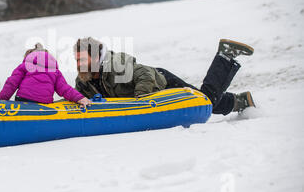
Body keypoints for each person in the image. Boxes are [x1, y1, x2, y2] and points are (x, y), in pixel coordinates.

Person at [74, 37, 256, 115]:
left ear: (97, 56)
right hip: (154, 92)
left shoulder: (116, 63)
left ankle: (226, 55)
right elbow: (78, 97)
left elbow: (144, 75)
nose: (78, 64)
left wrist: (141, 102)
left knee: (204, 101)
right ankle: (239, 102)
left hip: (162, 83)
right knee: (209, 103)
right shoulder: (84, 80)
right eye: (76, 59)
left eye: (82, 59)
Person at [0, 43, 92, 108]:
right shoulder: (55, 71)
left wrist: (0, 102)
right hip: (43, 104)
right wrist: (80, 98)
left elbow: (11, 84)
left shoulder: (25, 65)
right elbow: (64, 88)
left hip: (23, 101)